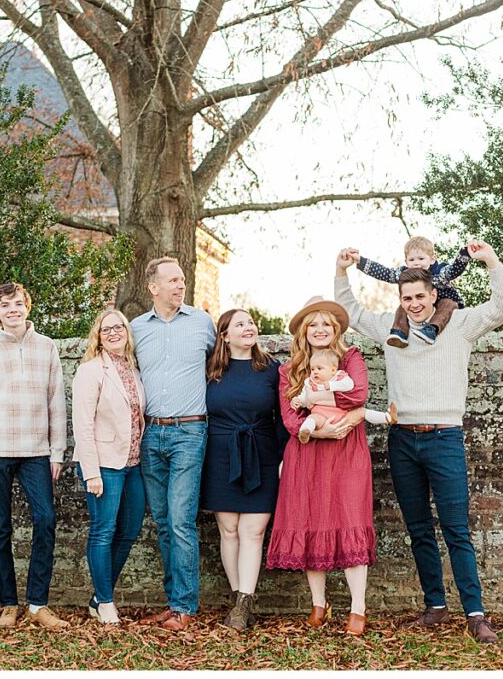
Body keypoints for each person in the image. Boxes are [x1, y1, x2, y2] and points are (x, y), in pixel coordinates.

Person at [335, 239, 503, 644]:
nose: (415, 303)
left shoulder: (461, 324)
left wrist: (491, 260)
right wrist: (340, 271)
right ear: (400, 299)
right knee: (418, 529)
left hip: (444, 439)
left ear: (435, 294)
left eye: (420, 296)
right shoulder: (390, 328)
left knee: (456, 530)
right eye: (407, 298)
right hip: (402, 441)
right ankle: (435, 605)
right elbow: (349, 313)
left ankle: (475, 614)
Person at [265, 297, 375, 636]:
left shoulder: (351, 357)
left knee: (350, 517)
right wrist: (322, 428)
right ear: (302, 330)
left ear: (337, 328)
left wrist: (315, 404)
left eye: (326, 323)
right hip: (307, 451)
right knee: (310, 519)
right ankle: (319, 603)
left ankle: (358, 608)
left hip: (347, 452)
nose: (320, 329)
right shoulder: (288, 369)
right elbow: (288, 418)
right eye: (313, 324)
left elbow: (357, 396)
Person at [0, 283, 70, 630]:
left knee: (45, 519)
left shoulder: (47, 347)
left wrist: (57, 452)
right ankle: (8, 604)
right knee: (0, 527)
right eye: (5, 305)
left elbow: (56, 401)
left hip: (36, 451)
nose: (13, 309)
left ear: (28, 306)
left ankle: (37, 604)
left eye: (18, 303)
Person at [130, 256, 216, 631]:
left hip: (189, 432)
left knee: (182, 520)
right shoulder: (135, 329)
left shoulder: (202, 323)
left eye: (182, 280)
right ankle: (173, 602)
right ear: (153, 287)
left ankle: (185, 606)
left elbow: (221, 365)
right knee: (163, 522)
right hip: (150, 433)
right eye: (172, 280)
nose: (180, 286)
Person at [200, 308, 287, 631]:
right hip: (220, 454)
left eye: (250, 322)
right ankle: (239, 596)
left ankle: (243, 604)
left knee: (253, 531)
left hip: (261, 453)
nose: (249, 327)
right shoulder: (210, 369)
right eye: (240, 324)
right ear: (225, 335)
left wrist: (282, 458)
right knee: (229, 531)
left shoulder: (271, 369)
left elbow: (282, 419)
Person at [71, 309, 147, 626]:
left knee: (129, 530)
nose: (114, 333)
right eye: (106, 330)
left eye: (119, 327)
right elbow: (83, 425)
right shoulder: (91, 371)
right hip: (103, 465)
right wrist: (91, 472)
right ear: (98, 337)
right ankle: (105, 601)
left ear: (127, 332)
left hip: (132, 463)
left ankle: (98, 596)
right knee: (103, 532)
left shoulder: (132, 369)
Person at [353, 236, 471, 347]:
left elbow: (454, 271)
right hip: (422, 305)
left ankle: (431, 330)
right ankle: (399, 332)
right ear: (406, 261)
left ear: (432, 259)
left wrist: (464, 254)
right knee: (403, 305)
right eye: (412, 259)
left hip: (446, 302)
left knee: (447, 304)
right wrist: (361, 262)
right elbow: (385, 273)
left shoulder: (439, 272)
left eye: (421, 258)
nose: (416, 263)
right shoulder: (405, 274)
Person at [291, 348, 397, 443]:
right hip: (321, 417)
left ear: (332, 370)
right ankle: (305, 431)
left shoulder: (338, 377)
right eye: (312, 369)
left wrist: (331, 385)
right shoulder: (310, 383)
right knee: (312, 418)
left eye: (319, 368)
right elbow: (306, 399)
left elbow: (349, 385)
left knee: (361, 412)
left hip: (343, 417)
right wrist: (298, 401)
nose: (315, 372)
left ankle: (387, 417)